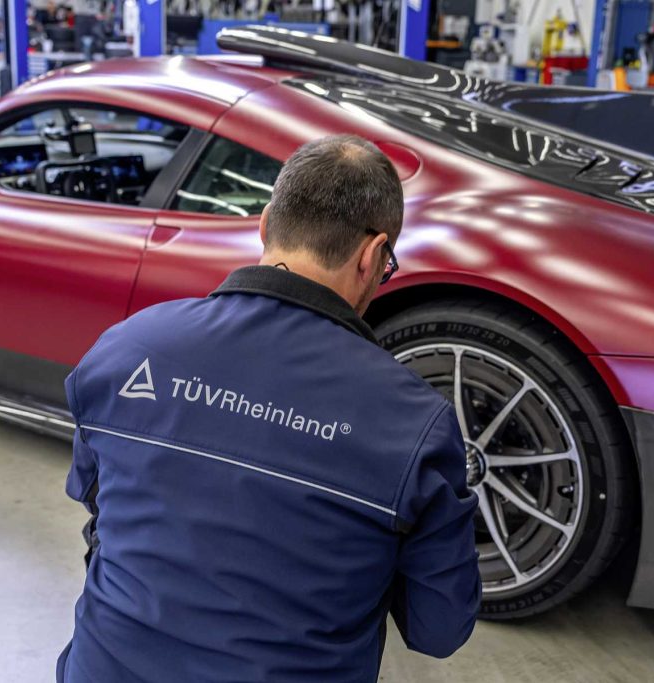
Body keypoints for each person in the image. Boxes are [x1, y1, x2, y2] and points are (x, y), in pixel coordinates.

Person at [57, 134, 481, 682]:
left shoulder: (127, 346)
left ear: (264, 227)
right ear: (374, 256)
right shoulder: (413, 426)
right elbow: (438, 629)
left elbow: (97, 509)